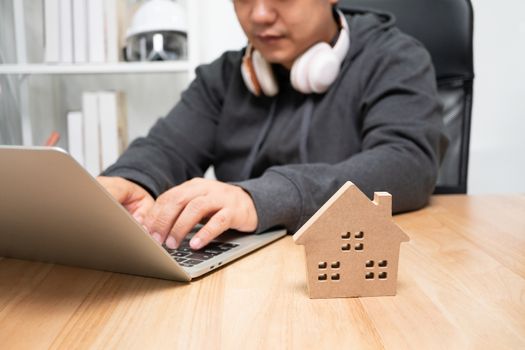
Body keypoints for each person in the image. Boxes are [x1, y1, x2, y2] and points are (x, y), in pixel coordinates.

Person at [98, 0, 446, 251]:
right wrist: (130, 180)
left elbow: (407, 162)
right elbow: (166, 148)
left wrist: (261, 199)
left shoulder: (396, 58)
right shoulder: (225, 76)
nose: (260, 14)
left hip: (346, 270)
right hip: (242, 278)